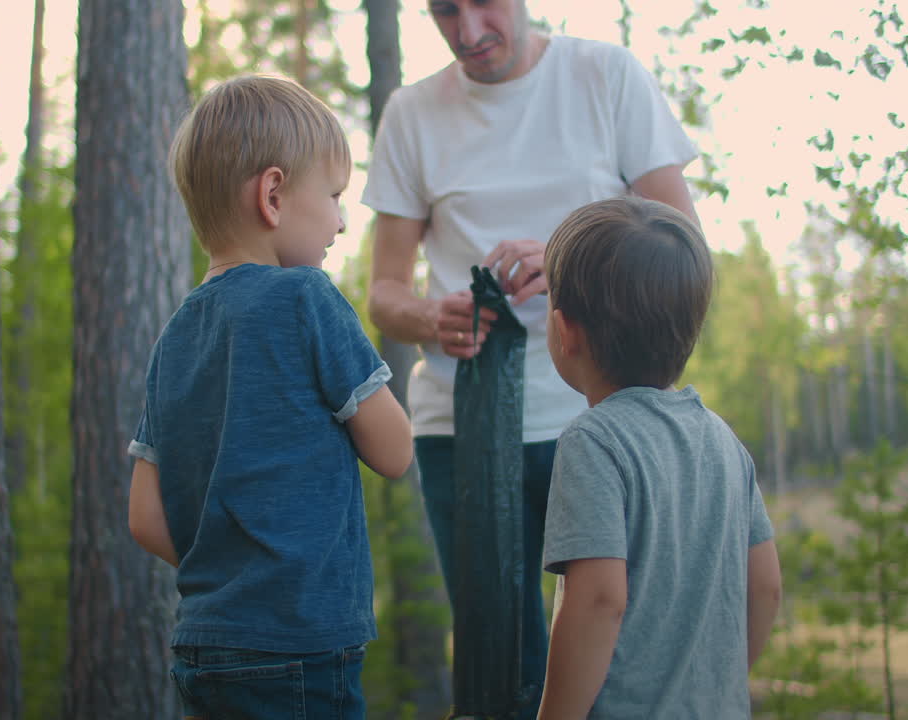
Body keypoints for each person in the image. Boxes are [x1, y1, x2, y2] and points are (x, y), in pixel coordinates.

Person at [361, 0, 700, 714]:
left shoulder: (605, 75)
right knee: (499, 670)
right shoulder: (412, 114)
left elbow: (681, 241)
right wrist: (431, 315)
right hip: (463, 430)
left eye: (483, 5)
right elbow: (384, 293)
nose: (468, 33)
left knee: (621, 659)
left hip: (609, 419)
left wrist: (569, 253)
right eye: (444, 12)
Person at [126, 74, 413, 720]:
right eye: (335, 197)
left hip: (204, 642)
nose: (342, 220)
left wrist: (233, 567)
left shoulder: (174, 336)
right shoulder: (306, 298)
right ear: (274, 194)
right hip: (300, 642)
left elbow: (144, 517)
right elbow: (394, 452)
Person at [536, 196, 782, 719]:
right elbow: (766, 584)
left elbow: (600, 599)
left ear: (564, 331)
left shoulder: (594, 442)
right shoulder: (723, 441)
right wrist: (722, 686)